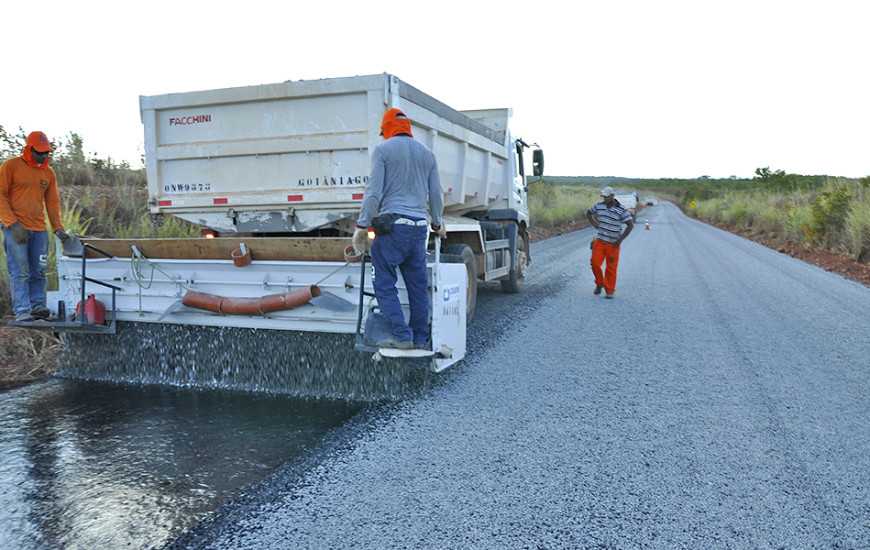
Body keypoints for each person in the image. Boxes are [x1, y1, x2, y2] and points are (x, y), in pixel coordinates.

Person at [352, 108, 445, 350]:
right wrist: (436, 222)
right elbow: (436, 194)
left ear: (387, 130)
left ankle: (401, 336)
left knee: (383, 283)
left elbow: (373, 192)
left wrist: (362, 225)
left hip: (394, 228)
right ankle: (419, 337)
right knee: (417, 286)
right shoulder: (428, 154)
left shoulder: (383, 150)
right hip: (419, 229)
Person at [1, 131, 69, 322]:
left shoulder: (48, 173)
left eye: (47, 152)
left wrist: (58, 228)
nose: (44, 156)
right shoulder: (11, 166)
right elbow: (1, 196)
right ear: (29, 149)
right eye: (40, 152)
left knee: (39, 270)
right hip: (16, 229)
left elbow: (53, 203)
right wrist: (13, 225)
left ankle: (37, 306)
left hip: (39, 230)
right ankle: (22, 310)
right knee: (20, 270)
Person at [586, 186, 633, 299]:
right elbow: (588, 212)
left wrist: (620, 240)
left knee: (611, 268)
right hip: (600, 241)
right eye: (604, 196)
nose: (605, 198)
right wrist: (594, 223)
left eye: (607, 196)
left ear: (612, 196)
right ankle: (599, 283)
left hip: (613, 243)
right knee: (595, 263)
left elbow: (630, 225)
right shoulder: (599, 205)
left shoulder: (622, 209)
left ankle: (609, 290)